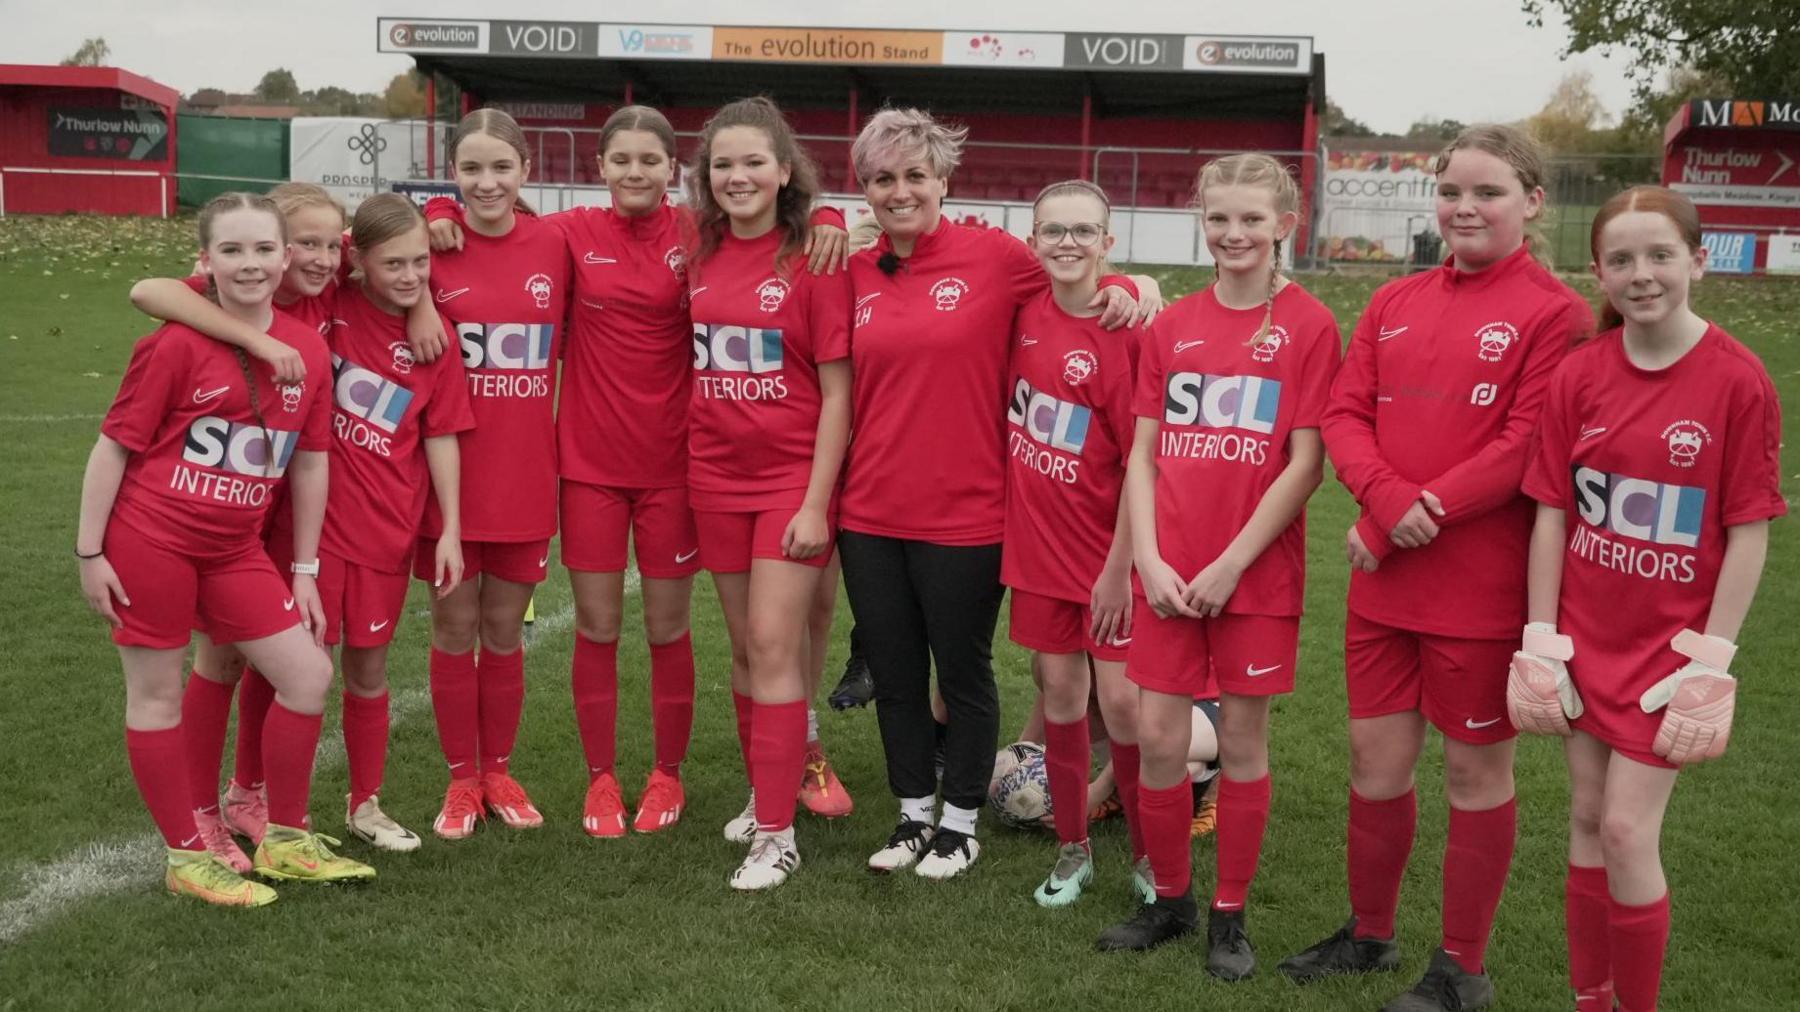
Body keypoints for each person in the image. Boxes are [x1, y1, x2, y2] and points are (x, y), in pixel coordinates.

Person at [423, 105, 851, 837]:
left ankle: (667, 773)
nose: (634, 173)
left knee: (666, 628)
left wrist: (832, 214)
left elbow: (781, 230)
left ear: (673, 169)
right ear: (598, 167)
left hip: (681, 467)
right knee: (596, 626)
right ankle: (601, 778)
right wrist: (435, 206)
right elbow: (497, 222)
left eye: (649, 160)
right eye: (619, 160)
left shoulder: (699, 235)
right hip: (587, 465)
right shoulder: (569, 235)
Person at [1282, 124, 1594, 1012]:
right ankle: (1371, 933)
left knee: (1473, 776)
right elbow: (1344, 413)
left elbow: (1526, 445)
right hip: (1386, 585)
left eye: (1488, 192)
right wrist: (1387, 508)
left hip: (1481, 592)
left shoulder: (1557, 313)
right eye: (1452, 190)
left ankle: (1463, 966)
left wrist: (1420, 514)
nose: (1464, 207)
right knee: (1372, 760)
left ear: (1532, 202)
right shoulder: (1395, 300)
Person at [839, 107, 1156, 881]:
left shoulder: (995, 257)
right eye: (884, 178)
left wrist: (1133, 282)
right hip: (868, 513)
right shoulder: (848, 266)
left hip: (969, 514)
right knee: (895, 672)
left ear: (944, 182)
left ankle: (960, 823)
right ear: (866, 190)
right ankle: (913, 812)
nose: (901, 190)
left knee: (963, 673)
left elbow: (1076, 274)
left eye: (916, 175)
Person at [1514, 185, 1782, 1012]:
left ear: (1698, 261)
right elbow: (1555, 513)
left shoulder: (1738, 381)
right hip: (1585, 645)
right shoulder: (1580, 374)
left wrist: (1715, 659)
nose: (1642, 274)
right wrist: (1539, 636)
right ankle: (1590, 997)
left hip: (1669, 660)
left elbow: (1747, 530)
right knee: (1589, 819)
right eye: (1621, 259)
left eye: (1660, 254)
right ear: (1597, 272)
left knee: (1629, 831)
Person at [129, 182, 441, 864]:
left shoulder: (331, 295)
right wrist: (252, 338)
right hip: (230, 507)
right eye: (304, 243)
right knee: (224, 656)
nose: (321, 257)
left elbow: (406, 245)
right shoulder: (248, 289)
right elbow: (151, 291)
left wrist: (423, 301)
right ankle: (205, 810)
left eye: (333, 246)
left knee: (281, 660)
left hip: (291, 510)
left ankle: (248, 794)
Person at [77, 192, 373, 906]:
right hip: (153, 541)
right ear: (205, 262)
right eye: (233, 251)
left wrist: (303, 569)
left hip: (235, 549)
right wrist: (91, 552)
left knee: (305, 675)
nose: (251, 264)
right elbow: (114, 447)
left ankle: (287, 838)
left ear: (287, 257)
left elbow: (309, 461)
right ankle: (185, 855)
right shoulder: (176, 341)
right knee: (155, 695)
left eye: (265, 249)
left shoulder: (309, 348)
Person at [1096, 155, 1339, 978]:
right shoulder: (1172, 325)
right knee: (1156, 736)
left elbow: (1305, 465)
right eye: (1218, 219)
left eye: (1251, 220)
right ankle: (1169, 899)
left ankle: (1228, 915)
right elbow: (1142, 457)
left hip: (1254, 578)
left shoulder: (1308, 324)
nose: (1234, 235)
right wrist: (1152, 561)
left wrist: (1233, 564)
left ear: (1284, 225)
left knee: (1240, 740)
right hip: (1167, 573)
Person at [679, 97, 853, 889]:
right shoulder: (698, 250)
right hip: (713, 475)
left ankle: (777, 837)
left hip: (790, 479)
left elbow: (838, 394)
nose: (737, 176)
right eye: (722, 164)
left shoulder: (817, 257)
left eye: (754, 162)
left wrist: (817, 502)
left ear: (786, 171)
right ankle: (766, 791)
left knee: (778, 647)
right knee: (748, 651)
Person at [410, 108, 570, 839]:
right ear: (452, 174)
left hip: (526, 477)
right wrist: (431, 217)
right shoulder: (424, 249)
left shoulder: (557, 243)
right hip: (443, 480)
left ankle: (498, 770)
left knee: (503, 633)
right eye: (469, 170)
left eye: (500, 167)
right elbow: (332, 251)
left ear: (526, 173)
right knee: (453, 627)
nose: (486, 182)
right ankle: (459, 781)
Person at [996, 180, 1139, 909]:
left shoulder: (1127, 329)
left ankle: (1150, 855)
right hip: (1041, 555)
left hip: (1112, 560)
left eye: (1084, 232)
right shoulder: (1023, 313)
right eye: (1053, 231)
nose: (1068, 244)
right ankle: (1073, 848)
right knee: (1059, 695)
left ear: (1108, 244)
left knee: (1124, 708)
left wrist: (1120, 568)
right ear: (1033, 240)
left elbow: (1143, 464)